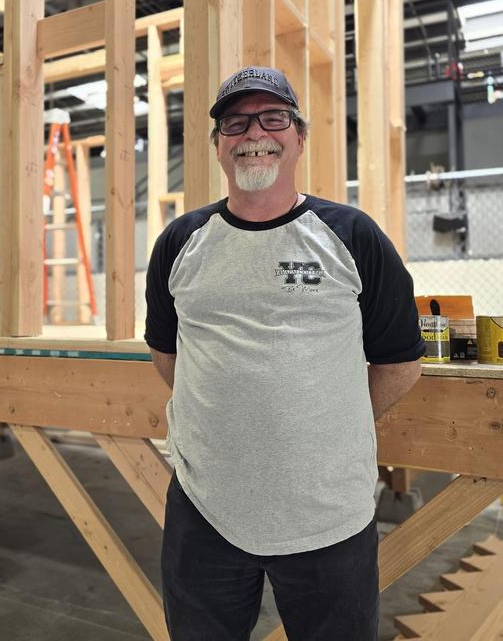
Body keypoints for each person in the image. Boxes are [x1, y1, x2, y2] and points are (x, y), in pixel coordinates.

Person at [145, 66, 425, 641]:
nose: (254, 132)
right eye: (235, 121)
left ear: (298, 136)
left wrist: (325, 430)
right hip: (206, 510)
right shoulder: (180, 242)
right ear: (218, 144)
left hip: (328, 513)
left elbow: (399, 362)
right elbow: (167, 354)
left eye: (273, 117)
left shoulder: (351, 235)